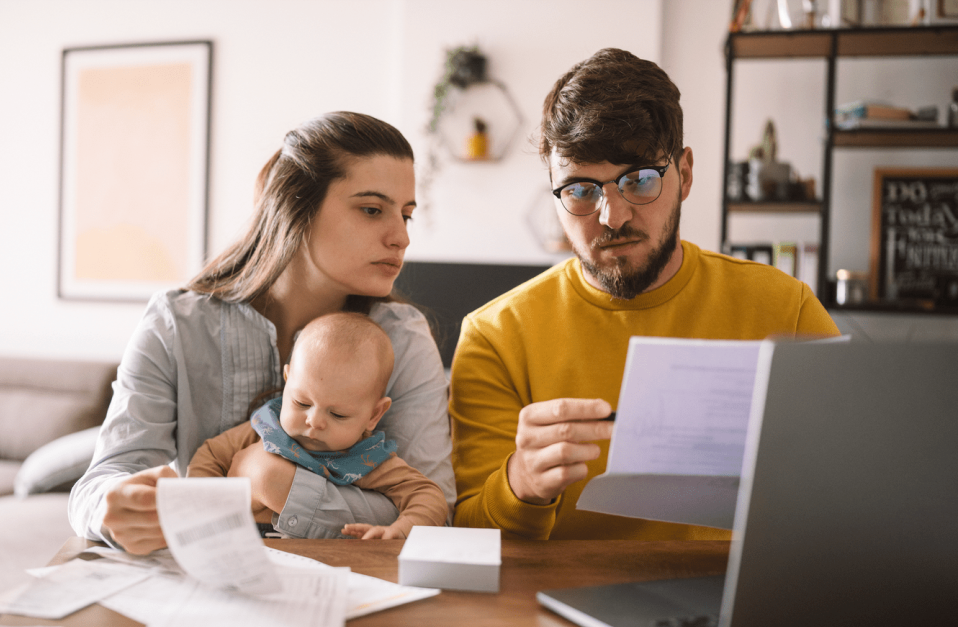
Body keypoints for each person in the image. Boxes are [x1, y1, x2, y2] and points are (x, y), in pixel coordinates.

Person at [449, 48, 839, 540]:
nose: (613, 217)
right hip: (557, 607)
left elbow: (856, 488)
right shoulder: (494, 337)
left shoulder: (788, 310)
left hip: (738, 600)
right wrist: (520, 484)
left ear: (686, 175)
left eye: (639, 180)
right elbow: (466, 539)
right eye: (581, 190)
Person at [68, 112, 455, 554]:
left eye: (406, 215)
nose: (401, 237)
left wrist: (271, 482)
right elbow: (99, 484)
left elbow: (436, 509)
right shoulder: (176, 324)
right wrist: (112, 509)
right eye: (372, 210)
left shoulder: (402, 338)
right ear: (295, 208)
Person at [187, 312, 448, 539]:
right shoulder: (266, 427)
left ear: (374, 415)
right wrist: (203, 512)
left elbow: (428, 496)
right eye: (301, 403)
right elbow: (210, 455)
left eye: (338, 415)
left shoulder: (366, 458)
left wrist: (401, 529)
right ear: (287, 380)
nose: (314, 421)